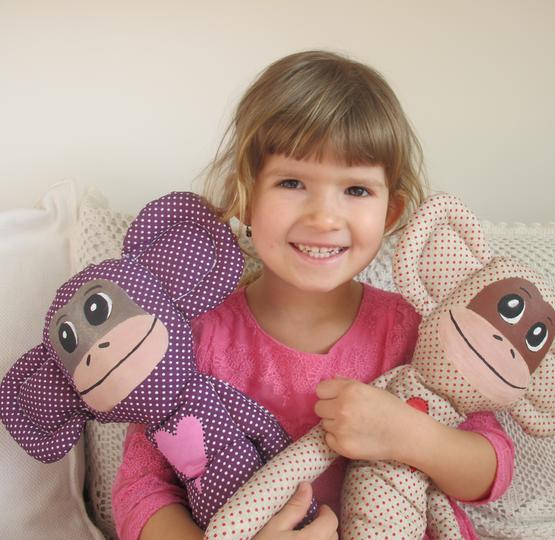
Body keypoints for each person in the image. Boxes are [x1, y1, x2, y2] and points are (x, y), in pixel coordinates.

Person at [111, 50, 514, 540]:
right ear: (246, 197)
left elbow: (491, 468)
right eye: (292, 182)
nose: (324, 217)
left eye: (356, 190)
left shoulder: (413, 330)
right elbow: (141, 491)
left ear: (391, 213)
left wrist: (410, 435)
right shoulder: (191, 340)